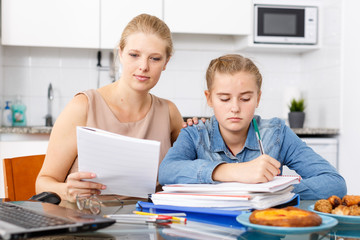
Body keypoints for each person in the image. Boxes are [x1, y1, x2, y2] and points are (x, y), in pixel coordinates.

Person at [36, 14, 185, 202]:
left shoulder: (169, 112)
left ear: (166, 62)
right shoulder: (83, 107)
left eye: (155, 58)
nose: (143, 66)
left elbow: (186, 174)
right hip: (88, 223)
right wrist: (67, 190)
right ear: (120, 52)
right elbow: (43, 182)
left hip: (150, 222)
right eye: (134, 55)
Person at [158, 54, 347, 200]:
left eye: (245, 98)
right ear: (209, 98)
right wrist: (231, 172)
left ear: (258, 98)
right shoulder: (195, 134)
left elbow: (334, 184)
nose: (235, 108)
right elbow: (167, 171)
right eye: (224, 98)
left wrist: (274, 194)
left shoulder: (276, 133)